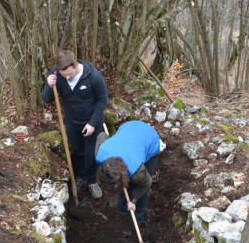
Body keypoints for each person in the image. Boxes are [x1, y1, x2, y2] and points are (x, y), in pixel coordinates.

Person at [42, 50, 107, 199]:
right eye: (64, 75)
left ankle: (91, 180)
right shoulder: (57, 74)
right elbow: (46, 99)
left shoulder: (93, 76)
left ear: (76, 65)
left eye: (70, 74)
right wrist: (49, 85)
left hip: (92, 122)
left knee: (92, 154)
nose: (67, 78)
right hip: (72, 121)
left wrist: (92, 123)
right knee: (77, 152)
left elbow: (103, 99)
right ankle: (80, 176)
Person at [95, 121, 161, 226]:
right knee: (128, 183)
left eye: (116, 184)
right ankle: (122, 209)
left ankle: (137, 219)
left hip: (149, 138)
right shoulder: (100, 154)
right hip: (127, 128)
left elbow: (146, 183)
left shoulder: (136, 171)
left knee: (139, 186)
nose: (115, 187)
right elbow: (102, 135)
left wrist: (133, 201)